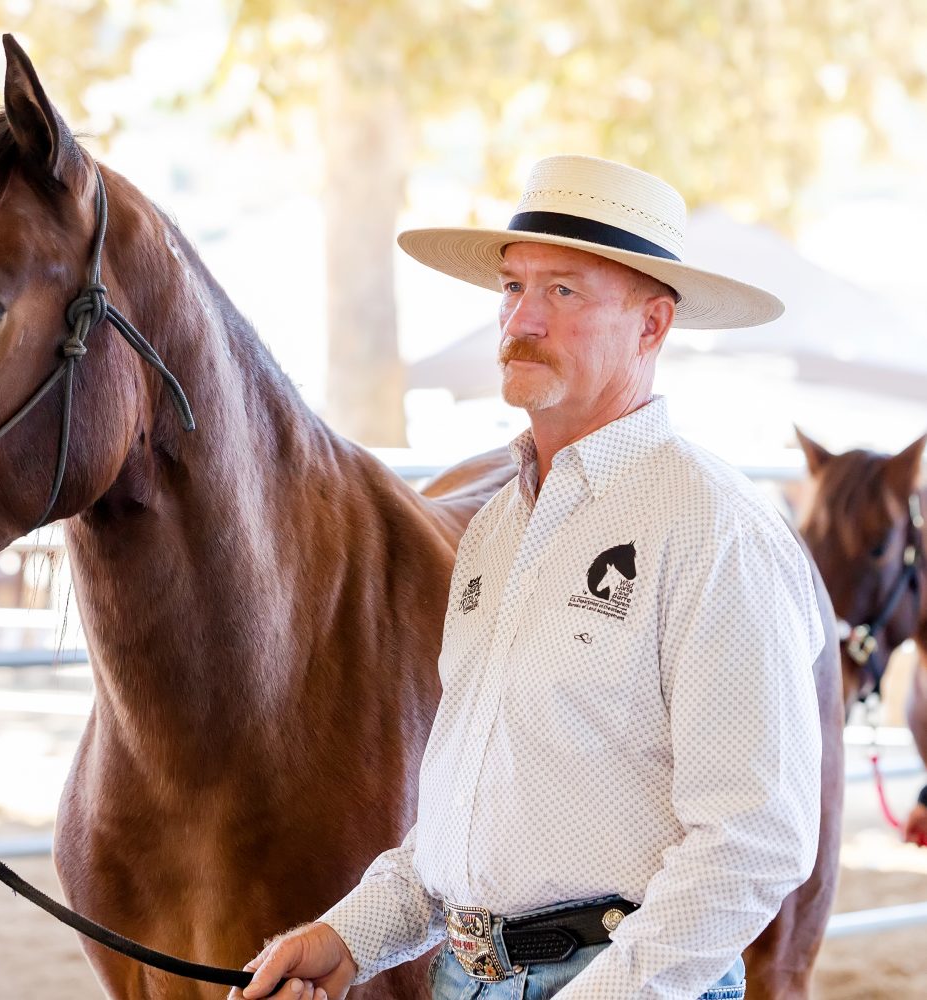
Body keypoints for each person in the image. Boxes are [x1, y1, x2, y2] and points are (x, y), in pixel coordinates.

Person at [230, 155, 824, 1000]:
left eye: (565, 292)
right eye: (513, 288)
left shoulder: (717, 529)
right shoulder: (498, 531)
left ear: (652, 326)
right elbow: (466, 825)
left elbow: (755, 840)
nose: (521, 321)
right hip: (464, 977)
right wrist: (345, 937)